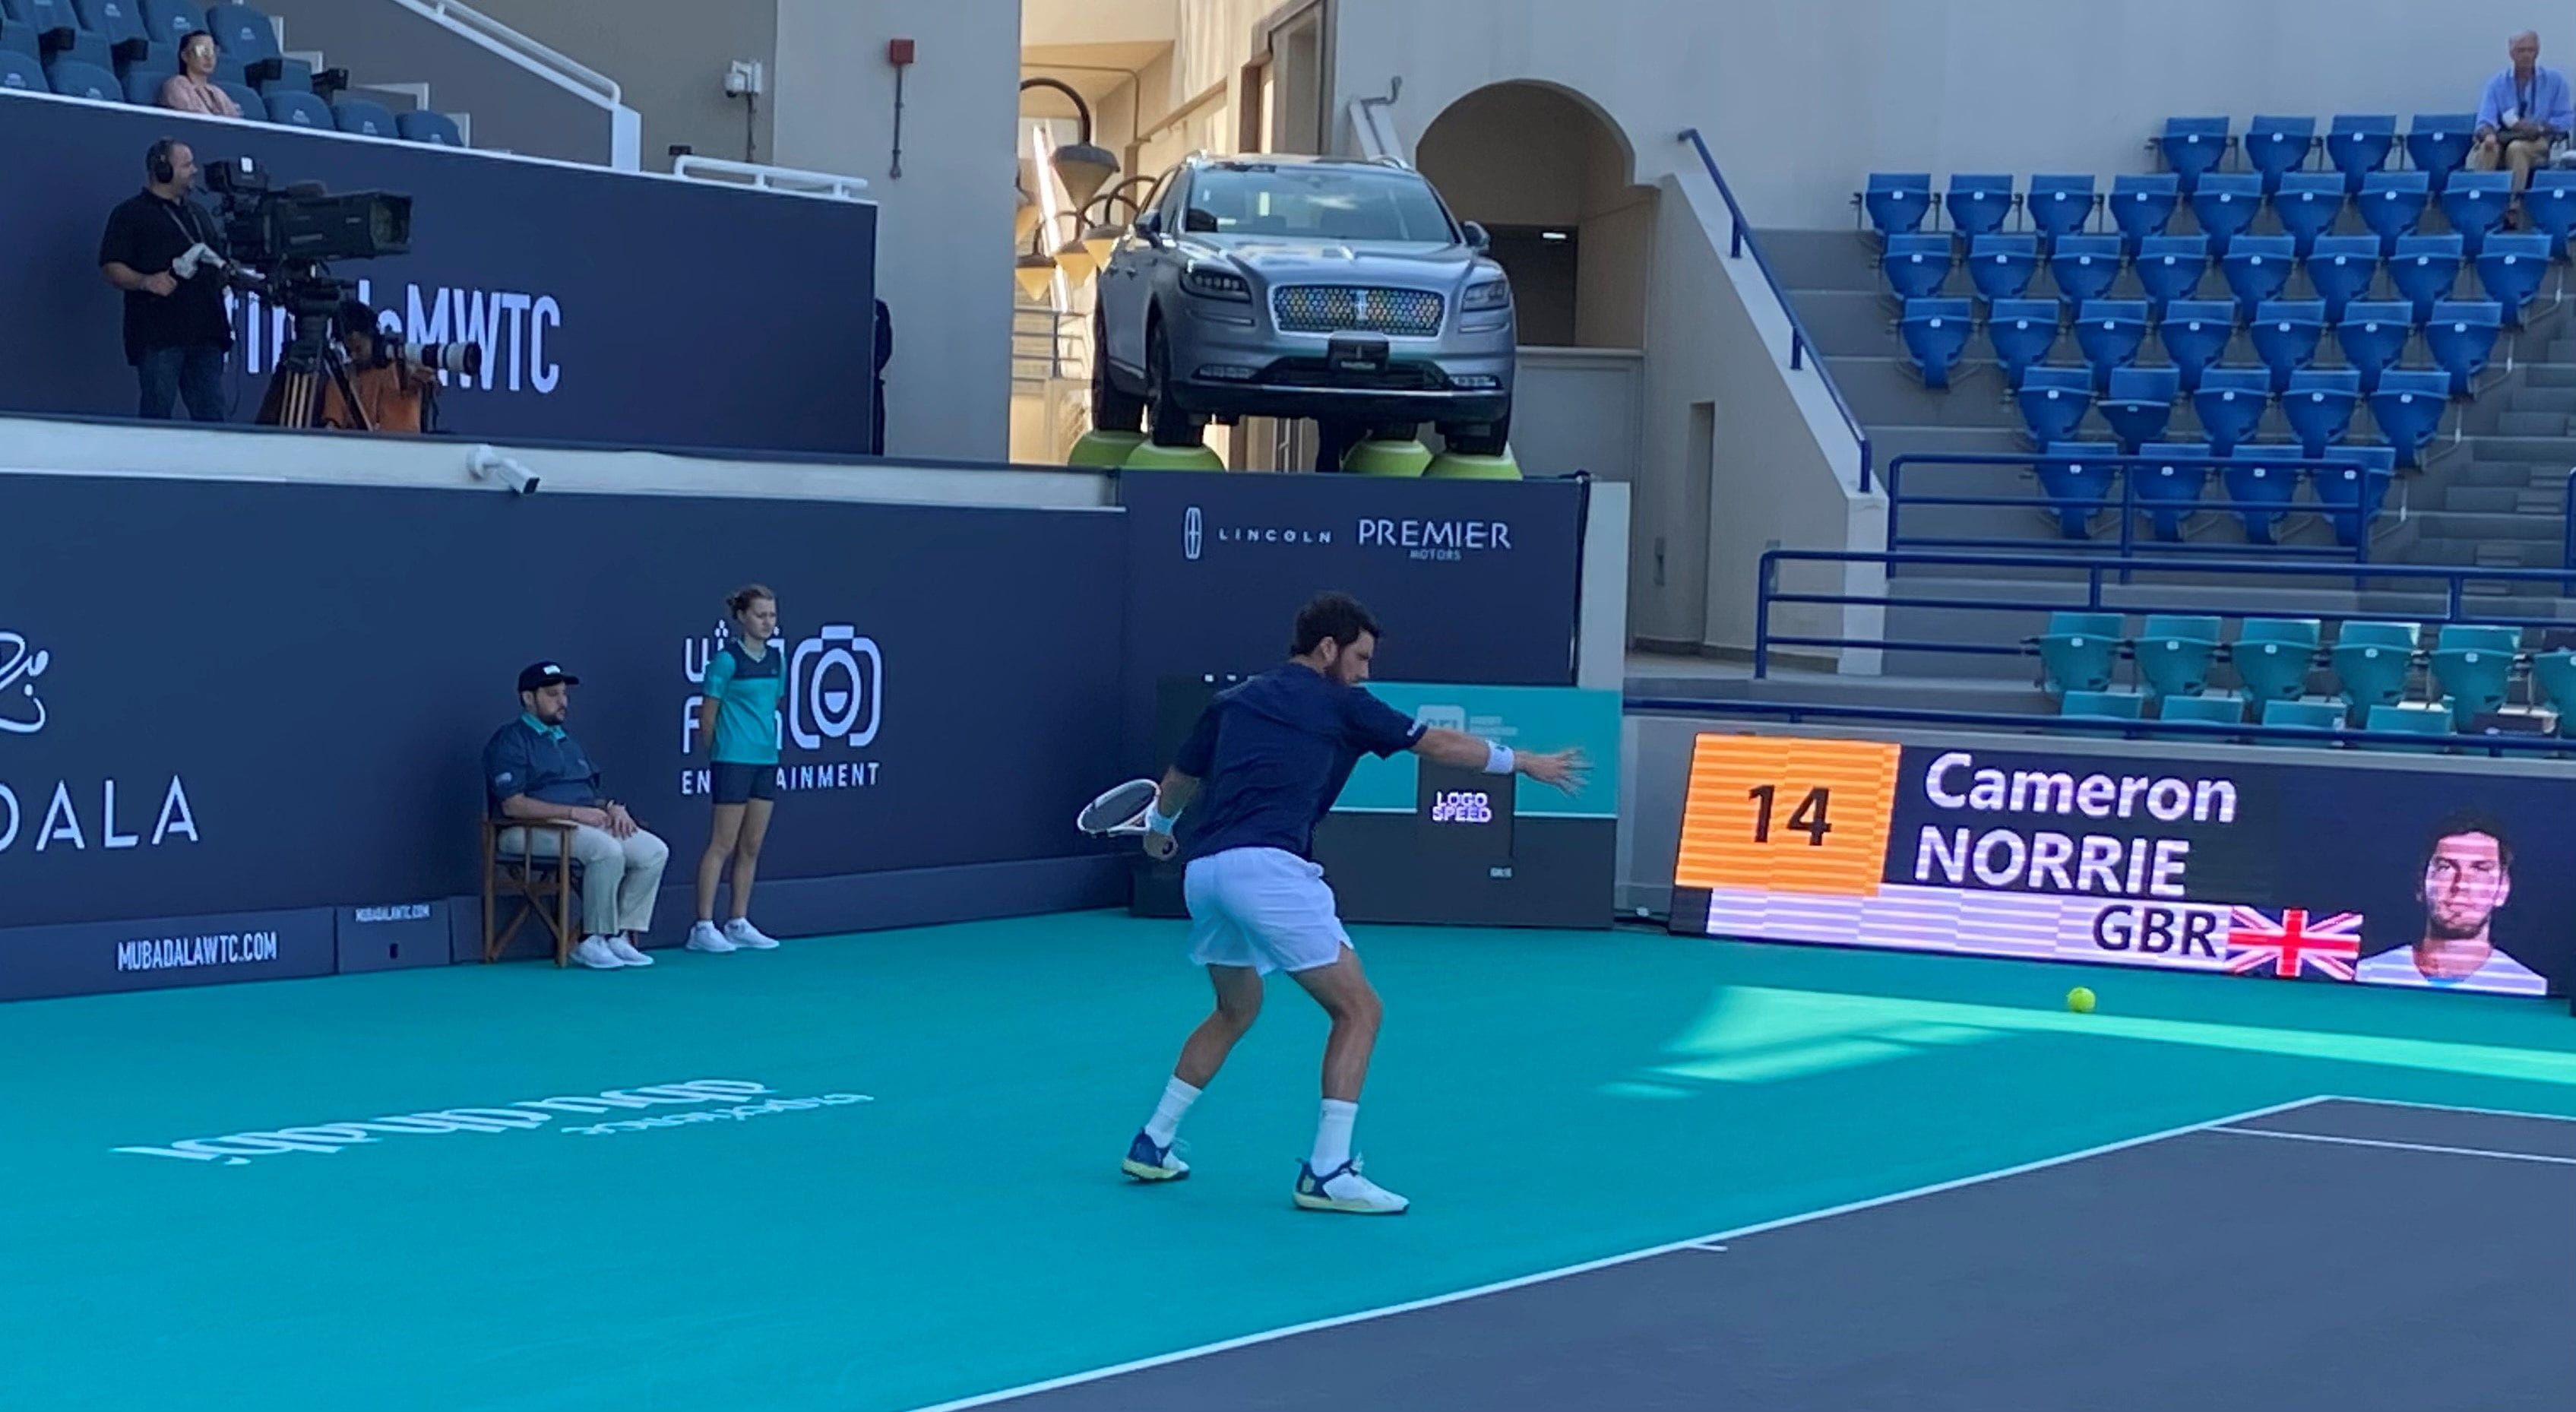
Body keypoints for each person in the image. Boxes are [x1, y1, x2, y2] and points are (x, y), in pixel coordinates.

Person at [1121, 591, 1587, 1214]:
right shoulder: (1344, 703)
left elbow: (1179, 781)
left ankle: (1153, 1141)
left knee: (1236, 1009)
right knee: (1359, 1010)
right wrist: (1523, 761)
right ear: (1328, 649)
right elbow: (1439, 746)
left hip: (1204, 873)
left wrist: (1158, 828)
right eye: (1361, 657)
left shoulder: (1232, 701)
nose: (1366, 671)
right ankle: (1328, 1171)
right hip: (1269, 870)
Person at [484, 661, 672, 971]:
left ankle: (620, 938)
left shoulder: (567, 742)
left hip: (582, 825)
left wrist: (612, 806)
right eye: (552, 694)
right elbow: (513, 805)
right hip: (525, 830)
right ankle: (592, 940)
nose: (563, 702)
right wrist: (573, 813)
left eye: (564, 694)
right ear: (528, 698)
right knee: (606, 850)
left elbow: (586, 795)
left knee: (653, 851)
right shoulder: (510, 740)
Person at [98, 138, 233, 423]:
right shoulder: (131, 214)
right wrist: (147, 281)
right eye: (186, 165)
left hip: (207, 332)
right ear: (162, 170)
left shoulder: (199, 214)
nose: (194, 170)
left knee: (213, 416)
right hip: (161, 335)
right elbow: (111, 266)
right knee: (157, 415)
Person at [688, 585, 787, 955]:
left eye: (772, 615)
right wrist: (720, 754)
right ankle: (703, 925)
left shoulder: (778, 660)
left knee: (752, 845)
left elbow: (772, 702)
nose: (767, 622)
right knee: (723, 844)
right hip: (732, 759)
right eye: (761, 615)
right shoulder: (726, 660)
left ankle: (738, 921)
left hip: (766, 760)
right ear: (743, 617)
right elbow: (708, 716)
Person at [2356, 811, 2546, 993]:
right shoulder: (2369, 975)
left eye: (2480, 869)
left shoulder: (2528, 987)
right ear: (2420, 885)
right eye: (2446, 867)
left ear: (2503, 889)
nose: (2461, 885)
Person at [318, 299, 459, 435]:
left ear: (372, 336)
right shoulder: (340, 378)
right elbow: (332, 426)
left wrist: (410, 367)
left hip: (406, 451)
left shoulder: (401, 364)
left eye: (359, 348)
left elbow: (432, 382)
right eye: (349, 352)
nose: (354, 356)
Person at [2470, 30, 2573, 211]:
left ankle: (2514, 205)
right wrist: (2488, 135)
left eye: (2531, 50)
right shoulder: (2497, 83)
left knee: (2517, 148)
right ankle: (2483, 205)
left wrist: (2539, 128)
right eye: (2521, 50)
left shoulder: (2555, 81)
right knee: (2489, 148)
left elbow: (2566, 119)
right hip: (2504, 137)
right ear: (2511, 53)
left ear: (2538, 52)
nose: (2526, 55)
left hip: (2538, 141)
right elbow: (2484, 121)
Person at [157, 31, 242, 119]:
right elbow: (198, 123)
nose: (209, 57)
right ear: (185, 56)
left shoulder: (217, 92)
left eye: (213, 51)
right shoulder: (176, 85)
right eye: (202, 51)